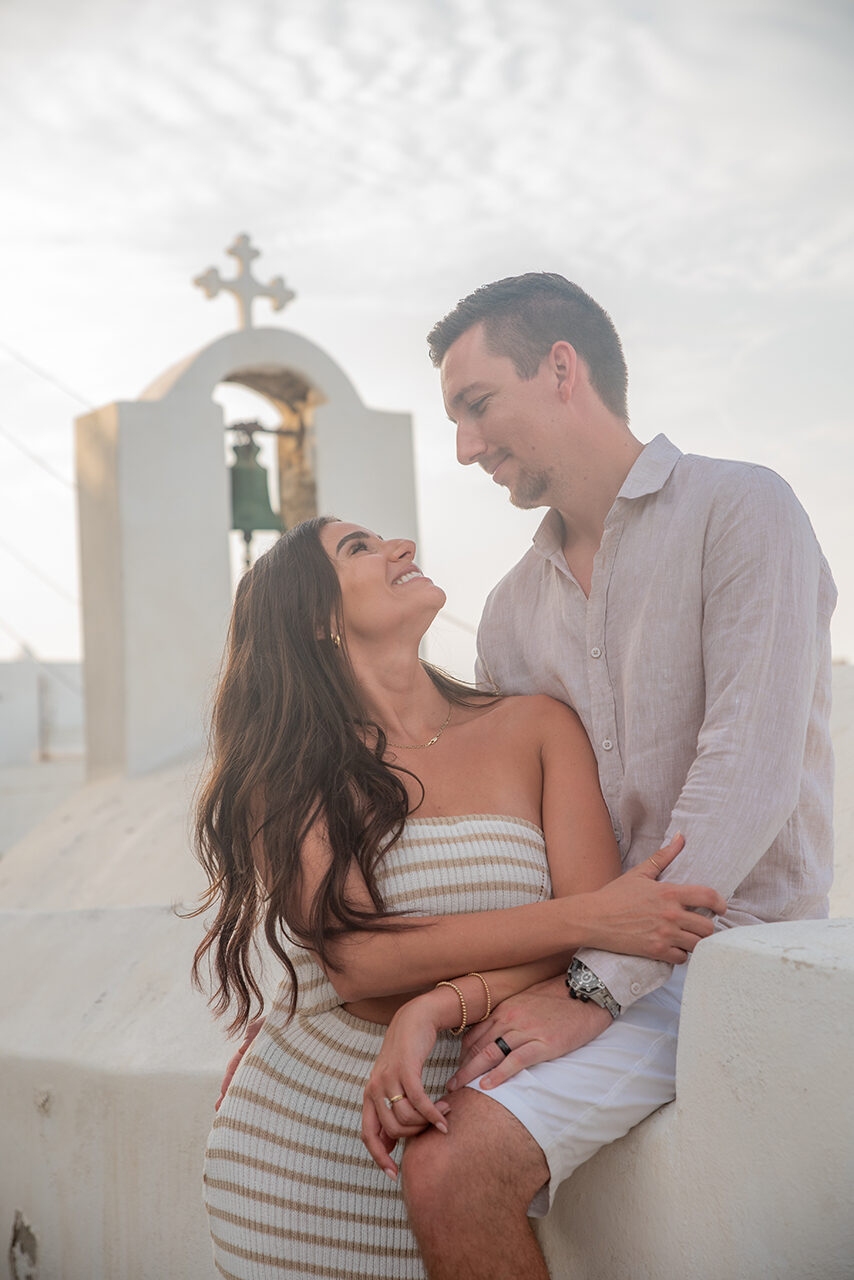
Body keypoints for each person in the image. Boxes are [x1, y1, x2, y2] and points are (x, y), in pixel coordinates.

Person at [363, 273, 836, 1280]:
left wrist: (596, 987)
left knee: (449, 1168)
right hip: (578, 966)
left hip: (730, 960)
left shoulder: (742, 508)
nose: (463, 446)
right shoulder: (506, 614)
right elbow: (515, 838)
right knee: (422, 1147)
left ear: (561, 369)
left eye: (476, 403)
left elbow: (744, 778)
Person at [193, 514, 724, 1280]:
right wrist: (587, 915)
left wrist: (436, 1006)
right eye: (359, 550)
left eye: (384, 539)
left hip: (468, 1129)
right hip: (301, 1155)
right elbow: (361, 963)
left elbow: (590, 955)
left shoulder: (536, 726)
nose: (400, 548)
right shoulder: (294, 768)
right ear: (316, 619)